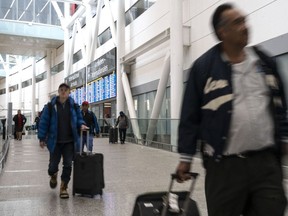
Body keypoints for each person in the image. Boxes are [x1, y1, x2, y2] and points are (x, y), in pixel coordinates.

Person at [176, 3, 287, 216]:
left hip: (265, 165)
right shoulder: (204, 68)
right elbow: (190, 115)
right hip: (224, 168)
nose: (245, 26)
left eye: (244, 21)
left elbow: (280, 105)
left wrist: (283, 137)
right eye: (238, 22)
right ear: (222, 31)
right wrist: (185, 158)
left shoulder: (264, 62)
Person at [38, 83, 88, 199]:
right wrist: (41, 138)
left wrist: (81, 125)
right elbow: (44, 122)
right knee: (52, 166)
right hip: (55, 142)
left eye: (66, 90)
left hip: (69, 142)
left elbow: (79, 119)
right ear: (58, 91)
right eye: (61, 90)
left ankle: (64, 187)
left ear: (69, 92)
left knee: (67, 164)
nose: (63, 92)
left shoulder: (74, 106)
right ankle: (53, 175)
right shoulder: (51, 106)